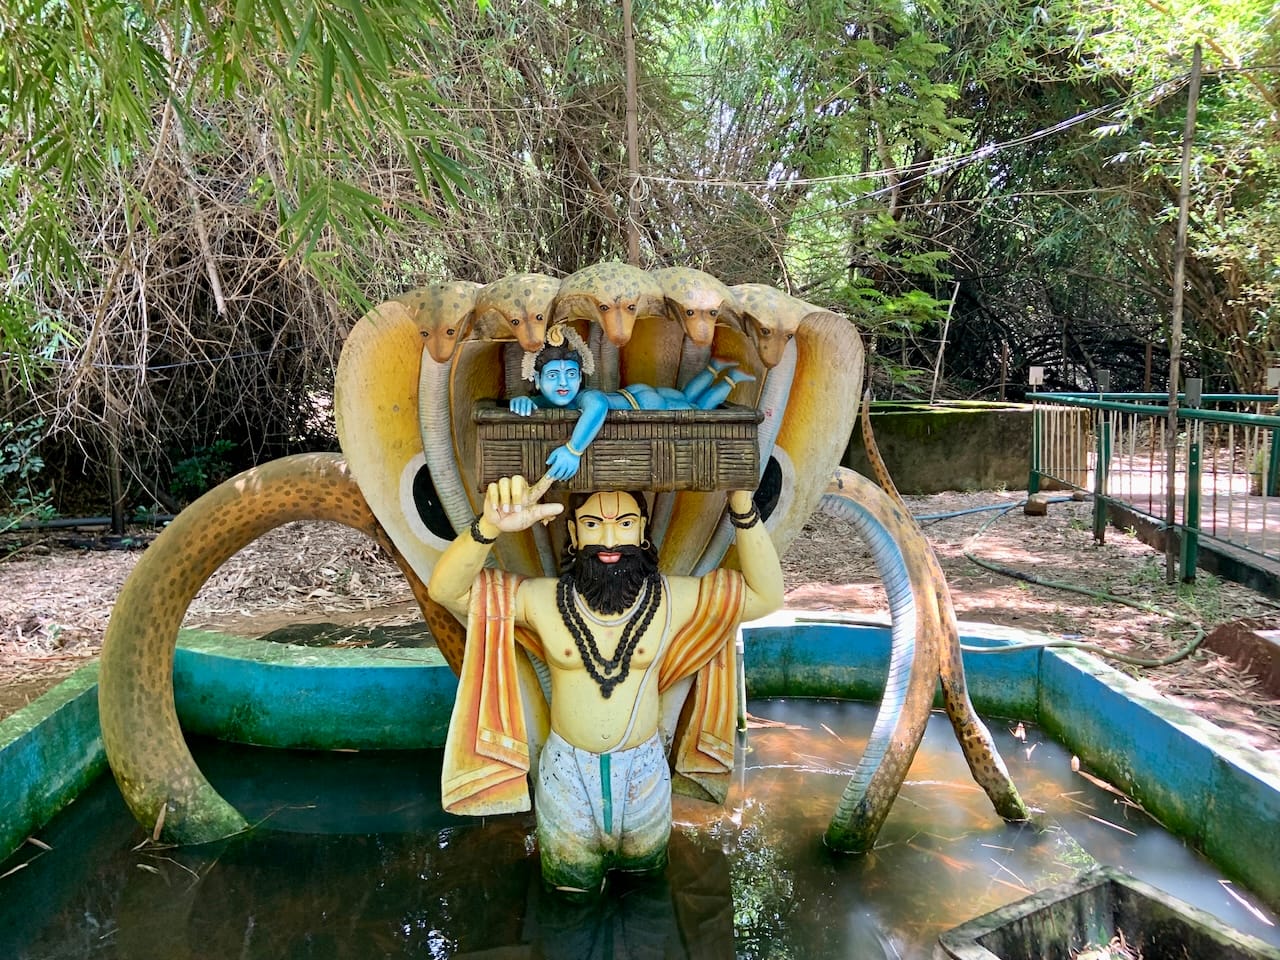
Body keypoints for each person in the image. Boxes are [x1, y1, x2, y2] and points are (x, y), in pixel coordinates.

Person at [427, 473, 783, 897]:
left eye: (625, 523)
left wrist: (742, 505)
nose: (611, 540)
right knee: (569, 898)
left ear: (644, 531)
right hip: (566, 776)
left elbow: (765, 596)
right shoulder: (543, 599)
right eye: (593, 524)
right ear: (573, 534)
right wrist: (489, 526)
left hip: (646, 774)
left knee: (646, 895)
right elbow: (446, 590)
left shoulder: (673, 598)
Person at [510, 326, 755, 480]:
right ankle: (716, 368)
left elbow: (598, 407)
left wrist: (573, 451)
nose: (564, 382)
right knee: (685, 397)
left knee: (698, 410)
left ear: (580, 377)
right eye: (553, 376)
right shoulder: (550, 399)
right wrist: (524, 401)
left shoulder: (584, 397)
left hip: (647, 406)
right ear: (538, 380)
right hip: (636, 394)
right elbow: (540, 402)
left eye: (571, 374)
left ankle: (729, 379)